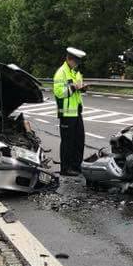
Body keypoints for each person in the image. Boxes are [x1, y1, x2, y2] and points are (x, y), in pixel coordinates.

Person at [53, 47, 86, 176]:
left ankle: (76, 166)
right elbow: (59, 93)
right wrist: (73, 87)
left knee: (79, 140)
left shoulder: (75, 72)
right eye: (75, 62)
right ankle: (66, 168)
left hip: (76, 111)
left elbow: (78, 87)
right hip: (66, 112)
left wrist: (82, 88)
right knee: (67, 142)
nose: (76, 64)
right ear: (68, 59)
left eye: (78, 62)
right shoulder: (61, 72)